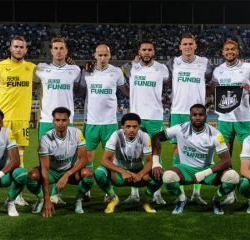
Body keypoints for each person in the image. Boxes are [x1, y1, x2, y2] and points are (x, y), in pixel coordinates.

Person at [151, 104, 239, 215]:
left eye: (201, 115)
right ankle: (182, 199)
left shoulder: (215, 134)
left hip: (207, 169)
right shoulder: (180, 128)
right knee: (168, 177)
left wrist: (204, 173)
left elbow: (227, 160)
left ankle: (216, 199)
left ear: (206, 116)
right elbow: (156, 137)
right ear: (190, 116)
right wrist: (155, 162)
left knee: (233, 177)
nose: (197, 117)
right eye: (194, 115)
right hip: (185, 169)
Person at [212, 39, 250, 205]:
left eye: (233, 49)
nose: (230, 52)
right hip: (224, 119)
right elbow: (214, 90)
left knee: (248, 157)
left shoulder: (248, 68)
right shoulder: (217, 71)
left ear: (237, 52)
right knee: (225, 158)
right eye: (227, 49)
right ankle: (229, 193)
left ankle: (249, 193)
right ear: (223, 52)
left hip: (244, 119)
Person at [0, 36, 36, 207]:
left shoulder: (32, 69)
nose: (19, 49)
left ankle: (17, 194)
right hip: (2, 121)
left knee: (19, 159)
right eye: (16, 46)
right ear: (10, 48)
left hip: (21, 121)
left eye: (22, 47)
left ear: (26, 50)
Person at [166, 33, 213, 205]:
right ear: (180, 47)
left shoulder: (205, 63)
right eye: (184, 44)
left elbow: (212, 81)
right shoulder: (173, 62)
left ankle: (196, 192)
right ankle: (181, 193)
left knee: (200, 151)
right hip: (178, 111)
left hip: (198, 112)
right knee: (177, 152)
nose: (187, 46)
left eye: (190, 44)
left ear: (195, 46)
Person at [34, 37, 82, 205]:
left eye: (62, 48)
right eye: (55, 48)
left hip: (67, 120)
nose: (59, 51)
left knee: (67, 158)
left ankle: (55, 193)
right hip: (46, 119)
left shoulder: (75, 69)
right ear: (51, 50)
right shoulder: (40, 69)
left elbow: (79, 90)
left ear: (66, 51)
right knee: (45, 158)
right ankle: (44, 195)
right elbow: (31, 86)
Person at [121, 40, 169, 205]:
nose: (147, 52)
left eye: (149, 50)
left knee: (156, 155)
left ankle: (156, 193)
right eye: (144, 50)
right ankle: (134, 192)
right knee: (134, 155)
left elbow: (169, 80)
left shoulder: (162, 69)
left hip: (155, 116)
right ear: (139, 52)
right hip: (136, 117)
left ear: (154, 52)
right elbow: (122, 76)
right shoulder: (131, 67)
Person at [80, 44, 129, 194]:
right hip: (91, 122)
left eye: (105, 55)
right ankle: (87, 188)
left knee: (110, 159)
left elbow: (127, 91)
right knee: (87, 157)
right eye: (99, 55)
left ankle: (109, 191)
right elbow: (80, 90)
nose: (102, 58)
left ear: (110, 56)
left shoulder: (117, 72)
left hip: (110, 122)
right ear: (94, 55)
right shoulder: (87, 72)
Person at [26, 107, 93, 217]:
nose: (60, 123)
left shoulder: (77, 133)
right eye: (57, 120)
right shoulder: (45, 138)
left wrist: (67, 175)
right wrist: (48, 199)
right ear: (53, 121)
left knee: (88, 174)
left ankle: (78, 200)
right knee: (32, 176)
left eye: (64, 120)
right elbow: (44, 169)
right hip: (51, 172)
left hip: (69, 172)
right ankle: (41, 199)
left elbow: (84, 159)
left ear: (69, 121)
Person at [94, 113, 162, 213]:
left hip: (137, 176)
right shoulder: (116, 135)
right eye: (128, 126)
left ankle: (145, 199)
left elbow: (150, 161)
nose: (131, 129)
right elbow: (104, 160)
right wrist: (122, 172)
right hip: (119, 175)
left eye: (134, 127)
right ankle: (113, 198)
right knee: (99, 173)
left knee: (159, 174)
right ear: (122, 127)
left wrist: (140, 174)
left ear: (139, 126)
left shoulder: (144, 136)